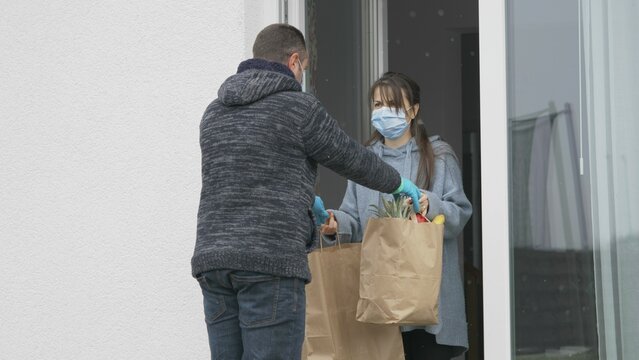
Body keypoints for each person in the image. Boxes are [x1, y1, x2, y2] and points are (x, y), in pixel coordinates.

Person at [191, 24, 423, 360]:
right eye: (304, 68)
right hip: (269, 261)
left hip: (214, 263)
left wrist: (301, 199)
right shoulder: (297, 108)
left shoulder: (214, 112)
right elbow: (350, 157)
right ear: (294, 61)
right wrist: (398, 183)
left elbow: (237, 175)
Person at [318, 72, 472, 359]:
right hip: (382, 305)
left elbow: (459, 213)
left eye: (393, 105)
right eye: (377, 105)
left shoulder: (438, 156)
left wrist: (429, 204)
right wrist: (334, 223)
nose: (383, 112)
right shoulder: (363, 161)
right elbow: (353, 218)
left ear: (413, 111)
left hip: (428, 310)